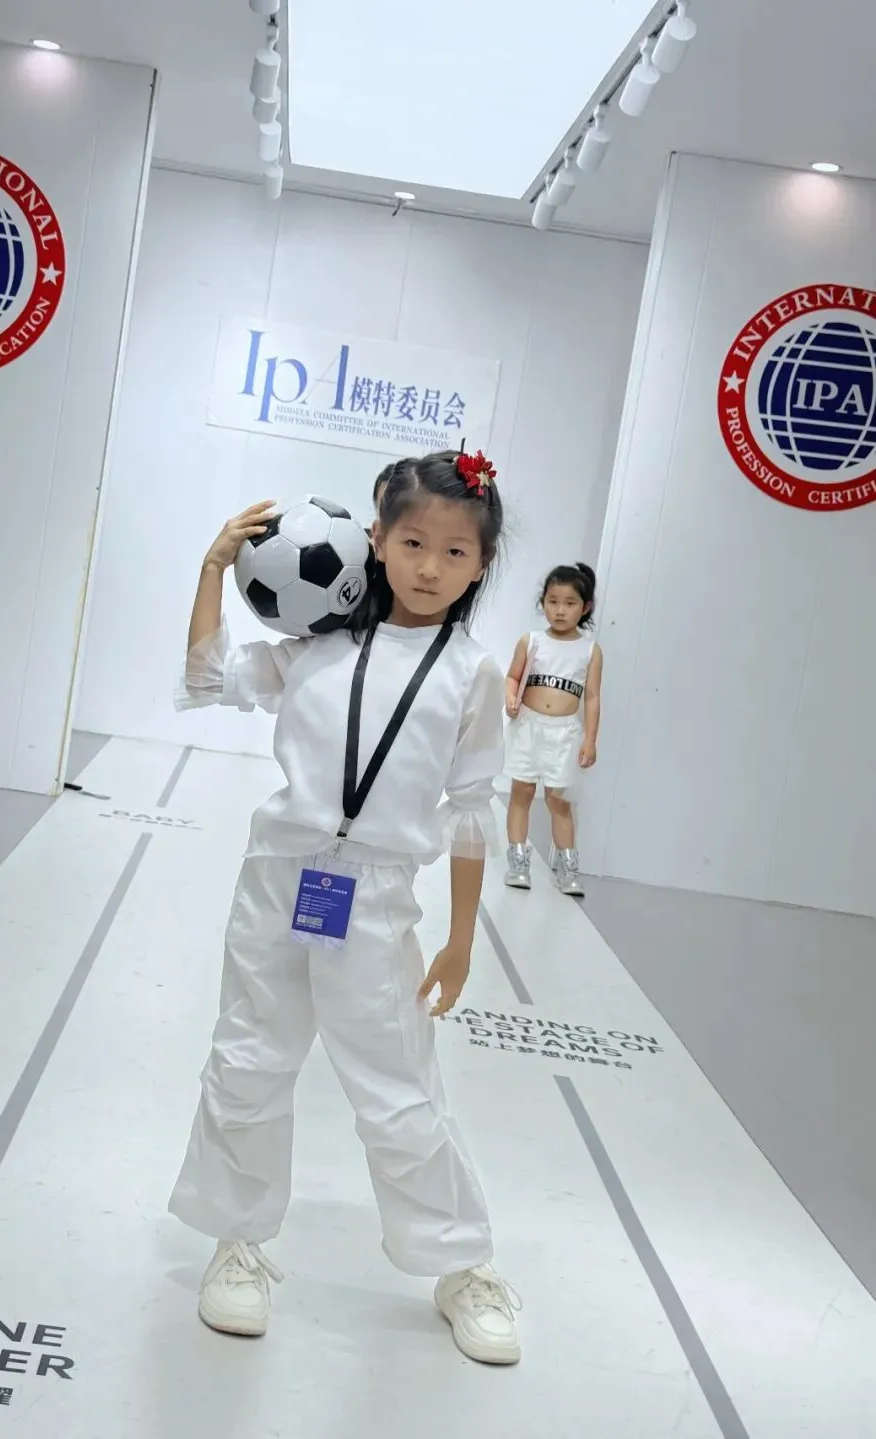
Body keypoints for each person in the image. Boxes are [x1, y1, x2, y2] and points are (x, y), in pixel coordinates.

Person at [169, 449, 521, 1366]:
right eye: (413, 543)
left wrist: (460, 939)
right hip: (279, 879)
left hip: (376, 896)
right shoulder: (316, 642)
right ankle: (238, 1244)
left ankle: (462, 1264)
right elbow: (207, 678)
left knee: (399, 1090)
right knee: (249, 1059)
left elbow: (471, 811)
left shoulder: (472, 673)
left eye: (455, 551)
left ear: (481, 564)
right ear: (376, 538)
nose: (430, 566)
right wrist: (212, 568)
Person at [502, 563, 602, 896]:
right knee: (521, 792)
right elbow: (513, 676)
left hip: (565, 734)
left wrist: (590, 739)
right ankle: (518, 862)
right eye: (553, 601)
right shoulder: (531, 641)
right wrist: (511, 697)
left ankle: (568, 868)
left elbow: (592, 697)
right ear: (543, 602)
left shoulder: (590, 650)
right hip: (529, 727)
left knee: (559, 800)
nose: (560, 610)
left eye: (569, 603)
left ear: (585, 607)